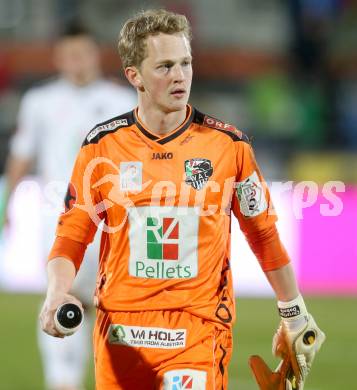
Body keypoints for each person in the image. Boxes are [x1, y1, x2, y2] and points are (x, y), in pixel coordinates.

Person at [39, 9, 325, 390]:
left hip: (197, 330)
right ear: (134, 77)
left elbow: (264, 234)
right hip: (121, 332)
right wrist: (57, 291)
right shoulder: (101, 148)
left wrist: (294, 313)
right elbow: (72, 233)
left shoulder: (229, 147)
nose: (180, 75)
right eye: (165, 66)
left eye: (186, 63)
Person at [3, 23, 136, 390]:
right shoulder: (40, 101)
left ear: (96, 55)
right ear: (59, 58)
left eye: (83, 53)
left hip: (111, 220)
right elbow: (21, 155)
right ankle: (63, 380)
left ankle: (111, 376)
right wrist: (6, 206)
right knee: (63, 296)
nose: (76, 62)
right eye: (69, 55)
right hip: (60, 218)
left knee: (108, 303)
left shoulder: (122, 101)